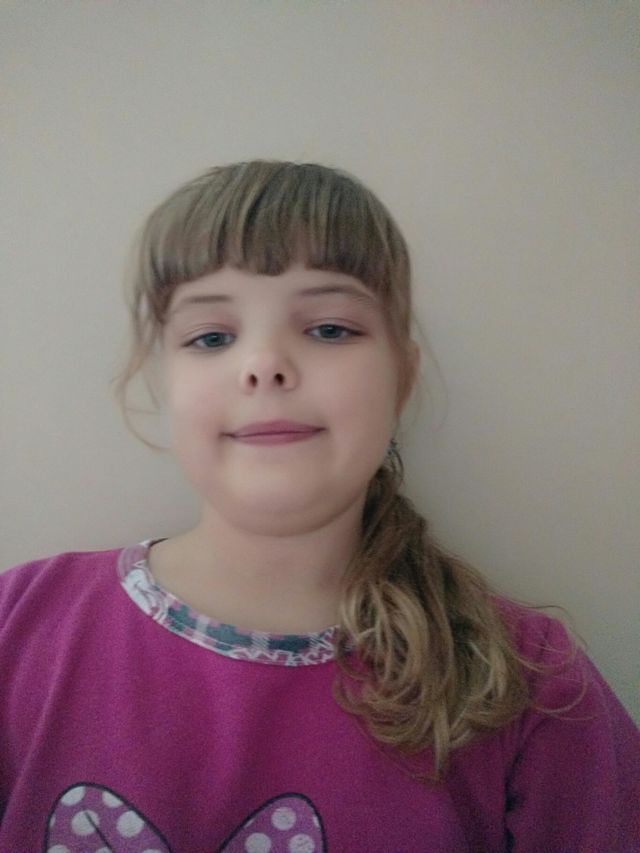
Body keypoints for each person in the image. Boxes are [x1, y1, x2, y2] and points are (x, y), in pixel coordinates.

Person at [0, 160, 638, 852]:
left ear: (402, 378)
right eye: (211, 336)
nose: (264, 363)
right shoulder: (19, 625)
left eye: (330, 328)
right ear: (161, 383)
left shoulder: (534, 686)